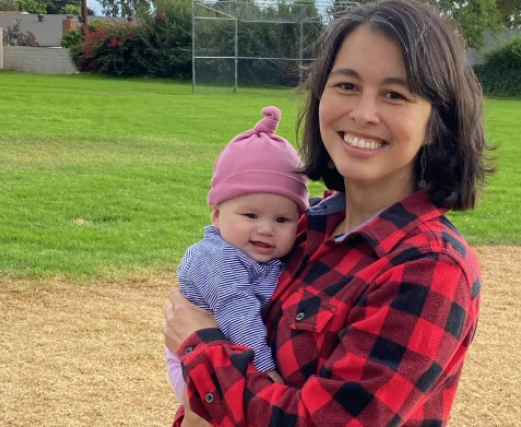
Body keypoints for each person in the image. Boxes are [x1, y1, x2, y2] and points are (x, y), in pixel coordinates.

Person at [163, 0, 493, 425]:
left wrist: (199, 344)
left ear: (435, 122)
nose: (363, 113)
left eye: (395, 94)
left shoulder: (430, 269)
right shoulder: (302, 226)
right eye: (346, 86)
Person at [164, 106, 309, 405]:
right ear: (216, 215)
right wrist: (265, 370)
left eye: (282, 220)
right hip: (195, 366)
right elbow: (238, 313)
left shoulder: (263, 257)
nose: (266, 229)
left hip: (228, 355)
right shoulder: (216, 258)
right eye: (251, 215)